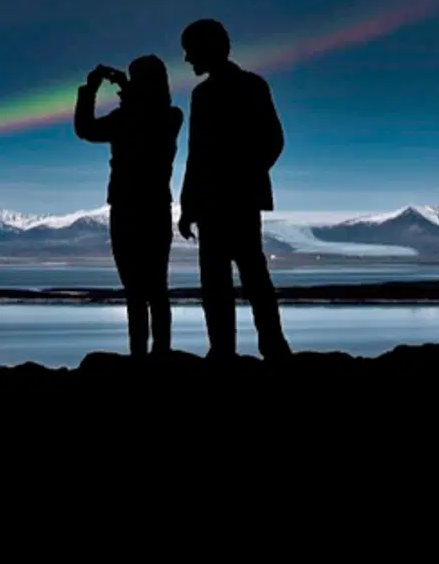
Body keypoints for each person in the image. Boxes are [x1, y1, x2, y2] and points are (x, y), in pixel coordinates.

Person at [176, 18, 292, 360]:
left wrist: (239, 178)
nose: (187, 60)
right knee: (220, 283)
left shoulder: (250, 86)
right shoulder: (204, 94)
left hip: (234, 201)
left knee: (249, 277)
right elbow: (196, 155)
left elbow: (273, 140)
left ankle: (268, 347)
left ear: (208, 48)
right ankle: (230, 350)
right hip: (217, 204)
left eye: (190, 51)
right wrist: (188, 206)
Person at [75, 55, 184, 358]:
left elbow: (87, 128)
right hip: (149, 207)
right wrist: (121, 89)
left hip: (131, 208)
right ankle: (152, 352)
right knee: (148, 287)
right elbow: (90, 129)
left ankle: (149, 354)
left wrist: (93, 90)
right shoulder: (167, 115)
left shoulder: (160, 116)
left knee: (143, 289)